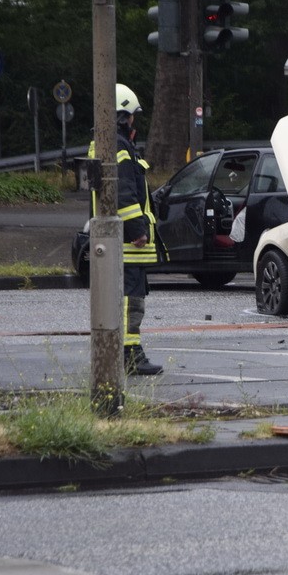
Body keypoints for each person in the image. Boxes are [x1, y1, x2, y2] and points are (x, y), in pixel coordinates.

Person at [89, 84, 163, 375]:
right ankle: (130, 356)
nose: (135, 122)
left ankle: (126, 353)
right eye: (132, 116)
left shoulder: (111, 144)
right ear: (122, 116)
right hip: (129, 244)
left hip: (123, 242)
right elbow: (125, 193)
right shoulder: (118, 146)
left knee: (128, 299)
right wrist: (137, 230)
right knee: (131, 301)